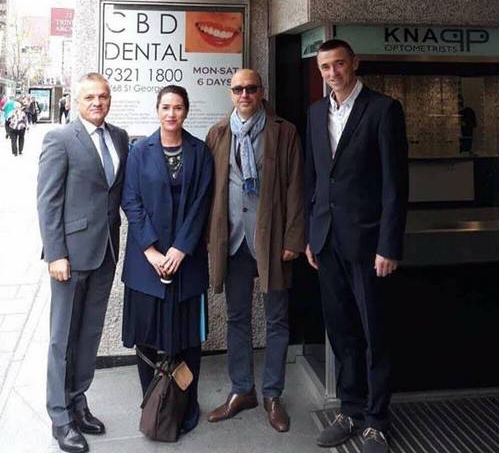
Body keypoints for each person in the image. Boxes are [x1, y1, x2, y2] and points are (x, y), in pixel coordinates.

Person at [305, 40, 408, 453]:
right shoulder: (316, 113)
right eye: (325, 67)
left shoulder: (383, 110)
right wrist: (310, 235)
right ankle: (350, 410)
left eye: (339, 64)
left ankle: (377, 421)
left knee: (375, 333)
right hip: (327, 242)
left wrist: (389, 245)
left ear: (354, 64)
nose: (333, 73)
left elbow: (395, 185)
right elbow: (315, 179)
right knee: (342, 331)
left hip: (369, 245)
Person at [206, 69, 305, 433]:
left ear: (262, 91)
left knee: (277, 319)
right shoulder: (218, 133)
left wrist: (294, 238)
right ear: (230, 93)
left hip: (272, 241)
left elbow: (296, 186)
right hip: (232, 242)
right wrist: (210, 239)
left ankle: (272, 394)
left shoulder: (284, 131)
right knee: (237, 318)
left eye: (251, 88)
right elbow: (211, 190)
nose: (244, 94)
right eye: (238, 89)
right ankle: (242, 390)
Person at [37, 73, 129, 453]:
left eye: (103, 96)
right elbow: (48, 201)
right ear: (77, 101)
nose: (97, 102)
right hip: (70, 257)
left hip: (105, 252)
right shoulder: (60, 139)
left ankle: (78, 401)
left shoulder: (119, 137)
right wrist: (55, 253)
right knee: (62, 338)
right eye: (90, 97)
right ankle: (60, 417)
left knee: (90, 334)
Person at [121, 85, 213, 435]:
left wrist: (180, 249)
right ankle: (153, 403)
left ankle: (187, 404)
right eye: (165, 107)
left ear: (186, 111)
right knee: (146, 337)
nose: (171, 114)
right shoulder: (138, 151)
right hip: (146, 262)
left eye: (177, 107)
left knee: (188, 340)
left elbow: (201, 203)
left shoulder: (200, 151)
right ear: (157, 110)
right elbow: (131, 201)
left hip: (186, 261)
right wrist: (151, 251)